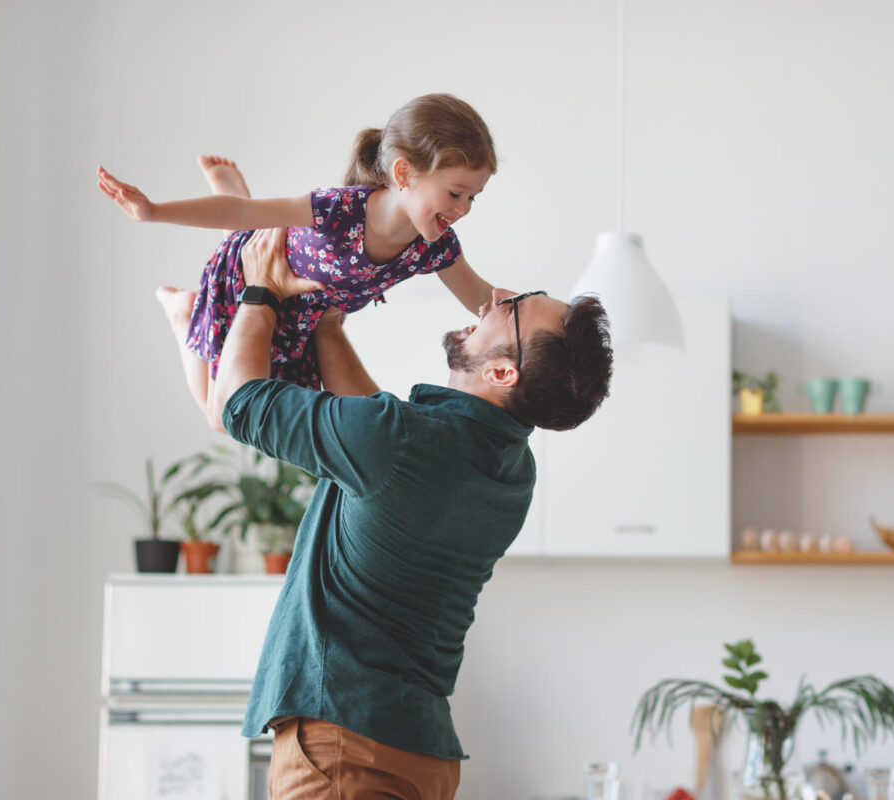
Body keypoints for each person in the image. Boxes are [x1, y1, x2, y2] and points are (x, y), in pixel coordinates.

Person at [214, 226, 613, 799]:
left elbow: (239, 401)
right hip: (418, 754)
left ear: (504, 372)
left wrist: (261, 291)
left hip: (343, 750)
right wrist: (327, 324)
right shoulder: (510, 470)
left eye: (515, 309)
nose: (496, 297)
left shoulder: (401, 442)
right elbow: (376, 441)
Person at [96, 93, 500, 431]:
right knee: (222, 418)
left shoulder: (435, 246)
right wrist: (152, 210)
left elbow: (483, 297)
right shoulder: (338, 210)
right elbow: (238, 212)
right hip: (247, 284)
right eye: (455, 193)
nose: (464, 209)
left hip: (300, 321)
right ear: (404, 172)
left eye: (473, 197)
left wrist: (556, 315)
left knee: (251, 414)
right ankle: (183, 312)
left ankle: (241, 218)